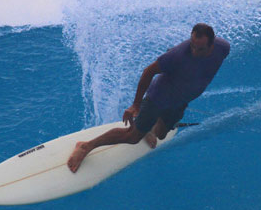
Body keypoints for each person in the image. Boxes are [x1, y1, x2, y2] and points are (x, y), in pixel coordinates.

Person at [67, 23, 230, 173]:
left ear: (212, 44)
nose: (194, 51)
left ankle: (148, 128)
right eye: (192, 45)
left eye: (200, 49)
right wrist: (135, 105)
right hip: (158, 97)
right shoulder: (179, 55)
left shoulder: (223, 48)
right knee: (132, 137)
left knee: (161, 134)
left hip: (179, 101)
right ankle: (86, 146)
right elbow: (148, 72)